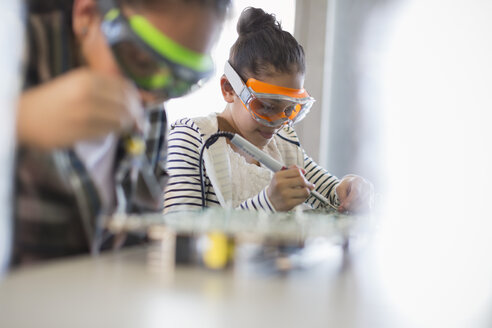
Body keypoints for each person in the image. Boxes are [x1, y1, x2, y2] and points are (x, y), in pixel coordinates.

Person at [13, 0, 231, 265]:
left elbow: (135, 245)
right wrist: (19, 121)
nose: (151, 94)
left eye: (179, 80)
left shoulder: (151, 112)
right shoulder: (16, 46)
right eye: (141, 61)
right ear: (87, 14)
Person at [163, 7, 373, 214]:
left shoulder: (283, 144)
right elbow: (177, 236)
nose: (277, 123)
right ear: (229, 90)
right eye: (267, 107)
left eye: (289, 110)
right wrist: (266, 205)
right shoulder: (192, 139)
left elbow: (332, 198)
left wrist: (350, 189)